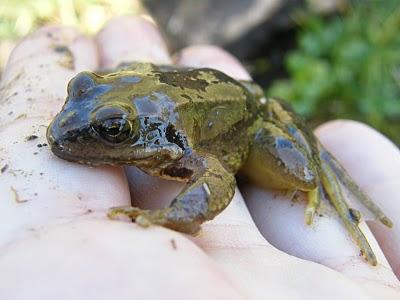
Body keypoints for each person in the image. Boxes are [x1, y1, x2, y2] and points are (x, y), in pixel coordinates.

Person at [0, 16, 399, 299]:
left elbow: (218, 178)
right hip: (194, 90)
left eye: (115, 131)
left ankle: (317, 168)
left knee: (302, 175)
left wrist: (174, 217)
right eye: (79, 90)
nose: (65, 127)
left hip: (246, 119)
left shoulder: (183, 146)